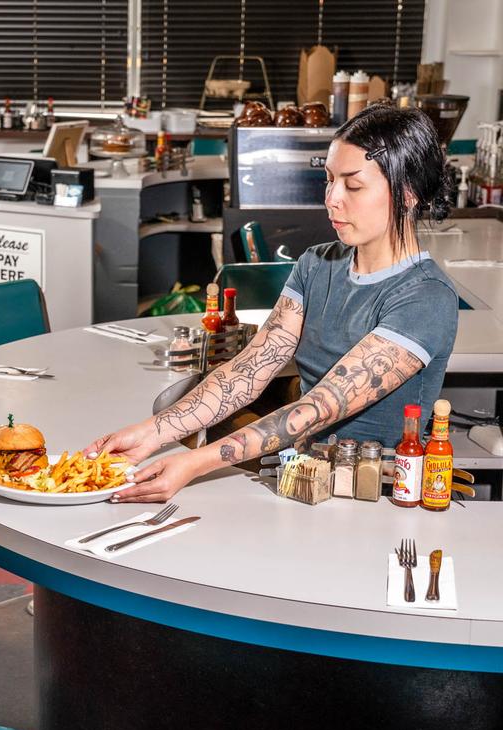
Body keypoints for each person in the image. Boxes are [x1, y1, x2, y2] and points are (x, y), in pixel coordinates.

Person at [87, 103, 458, 503]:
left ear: (407, 193)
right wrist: (150, 433)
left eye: (353, 186)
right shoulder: (317, 264)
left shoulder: (426, 297)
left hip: (378, 497)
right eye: (329, 180)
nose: (332, 199)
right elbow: (249, 370)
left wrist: (194, 463)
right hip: (307, 483)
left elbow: (318, 407)